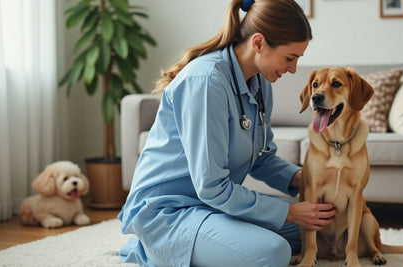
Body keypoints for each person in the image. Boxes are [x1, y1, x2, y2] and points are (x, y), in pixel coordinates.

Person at [118, 0, 337, 266]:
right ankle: (151, 249)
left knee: (321, 231)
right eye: (290, 58)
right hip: (169, 212)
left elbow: (263, 158)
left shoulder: (260, 83)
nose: (292, 69)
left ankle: (207, 245)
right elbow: (212, 187)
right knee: (273, 252)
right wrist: (289, 212)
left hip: (212, 206)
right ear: (258, 43)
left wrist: (307, 178)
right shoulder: (207, 82)